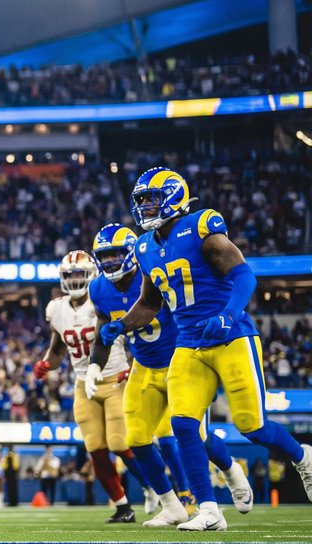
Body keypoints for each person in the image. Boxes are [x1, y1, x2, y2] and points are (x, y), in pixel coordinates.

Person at [100, 167, 312, 531]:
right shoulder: (145, 246)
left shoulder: (200, 227)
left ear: (173, 196)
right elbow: (150, 303)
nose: (145, 207)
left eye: (151, 199)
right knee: (183, 424)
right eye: (141, 201)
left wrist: (229, 314)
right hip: (189, 343)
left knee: (253, 427)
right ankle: (209, 510)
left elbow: (243, 275)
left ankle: (303, 457)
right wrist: (122, 324)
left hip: (232, 337)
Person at [87, 223, 251, 527]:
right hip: (144, 366)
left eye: (115, 254)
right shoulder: (98, 288)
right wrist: (94, 366)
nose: (109, 261)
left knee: (194, 437)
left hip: (180, 359)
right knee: (135, 439)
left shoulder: (154, 273)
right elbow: (102, 334)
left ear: (131, 253)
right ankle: (172, 506)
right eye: (104, 256)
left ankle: (231, 470)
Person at [32, 250, 139, 523]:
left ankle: (158, 491)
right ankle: (123, 506)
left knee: (120, 443)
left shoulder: (103, 297)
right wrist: (46, 363)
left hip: (115, 378)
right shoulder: (56, 308)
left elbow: (136, 335)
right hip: (83, 383)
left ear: (91, 274)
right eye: (69, 275)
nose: (74, 280)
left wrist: (133, 367)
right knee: (95, 449)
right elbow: (58, 349)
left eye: (79, 274)